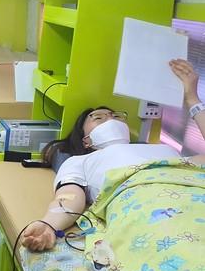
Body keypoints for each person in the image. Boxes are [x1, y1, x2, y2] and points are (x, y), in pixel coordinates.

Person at [22, 59, 204, 252]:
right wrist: (49, 224)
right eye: (98, 117)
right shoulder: (80, 161)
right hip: (148, 205)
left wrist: (192, 99)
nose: (110, 118)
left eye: (116, 116)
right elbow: (69, 197)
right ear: (86, 141)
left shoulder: (165, 151)